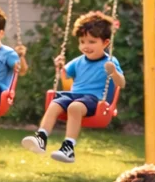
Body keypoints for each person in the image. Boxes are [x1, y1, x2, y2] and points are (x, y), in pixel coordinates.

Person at [21, 9, 124, 164]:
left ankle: (68, 148)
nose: (86, 46)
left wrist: (114, 72)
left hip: (95, 100)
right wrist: (60, 68)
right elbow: (67, 83)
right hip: (74, 96)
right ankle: (41, 138)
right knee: (55, 104)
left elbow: (121, 83)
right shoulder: (78, 61)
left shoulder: (110, 61)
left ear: (105, 43)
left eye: (92, 42)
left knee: (74, 107)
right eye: (82, 42)